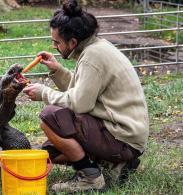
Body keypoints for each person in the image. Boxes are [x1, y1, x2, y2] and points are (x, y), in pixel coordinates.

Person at [22, 0, 149, 192]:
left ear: (73, 42)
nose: (54, 46)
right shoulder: (97, 48)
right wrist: (58, 71)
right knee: (51, 152)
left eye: (57, 42)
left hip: (123, 137)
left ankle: (90, 177)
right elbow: (85, 90)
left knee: (49, 117)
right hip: (126, 134)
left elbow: (80, 103)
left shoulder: (92, 57)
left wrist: (44, 93)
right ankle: (116, 164)